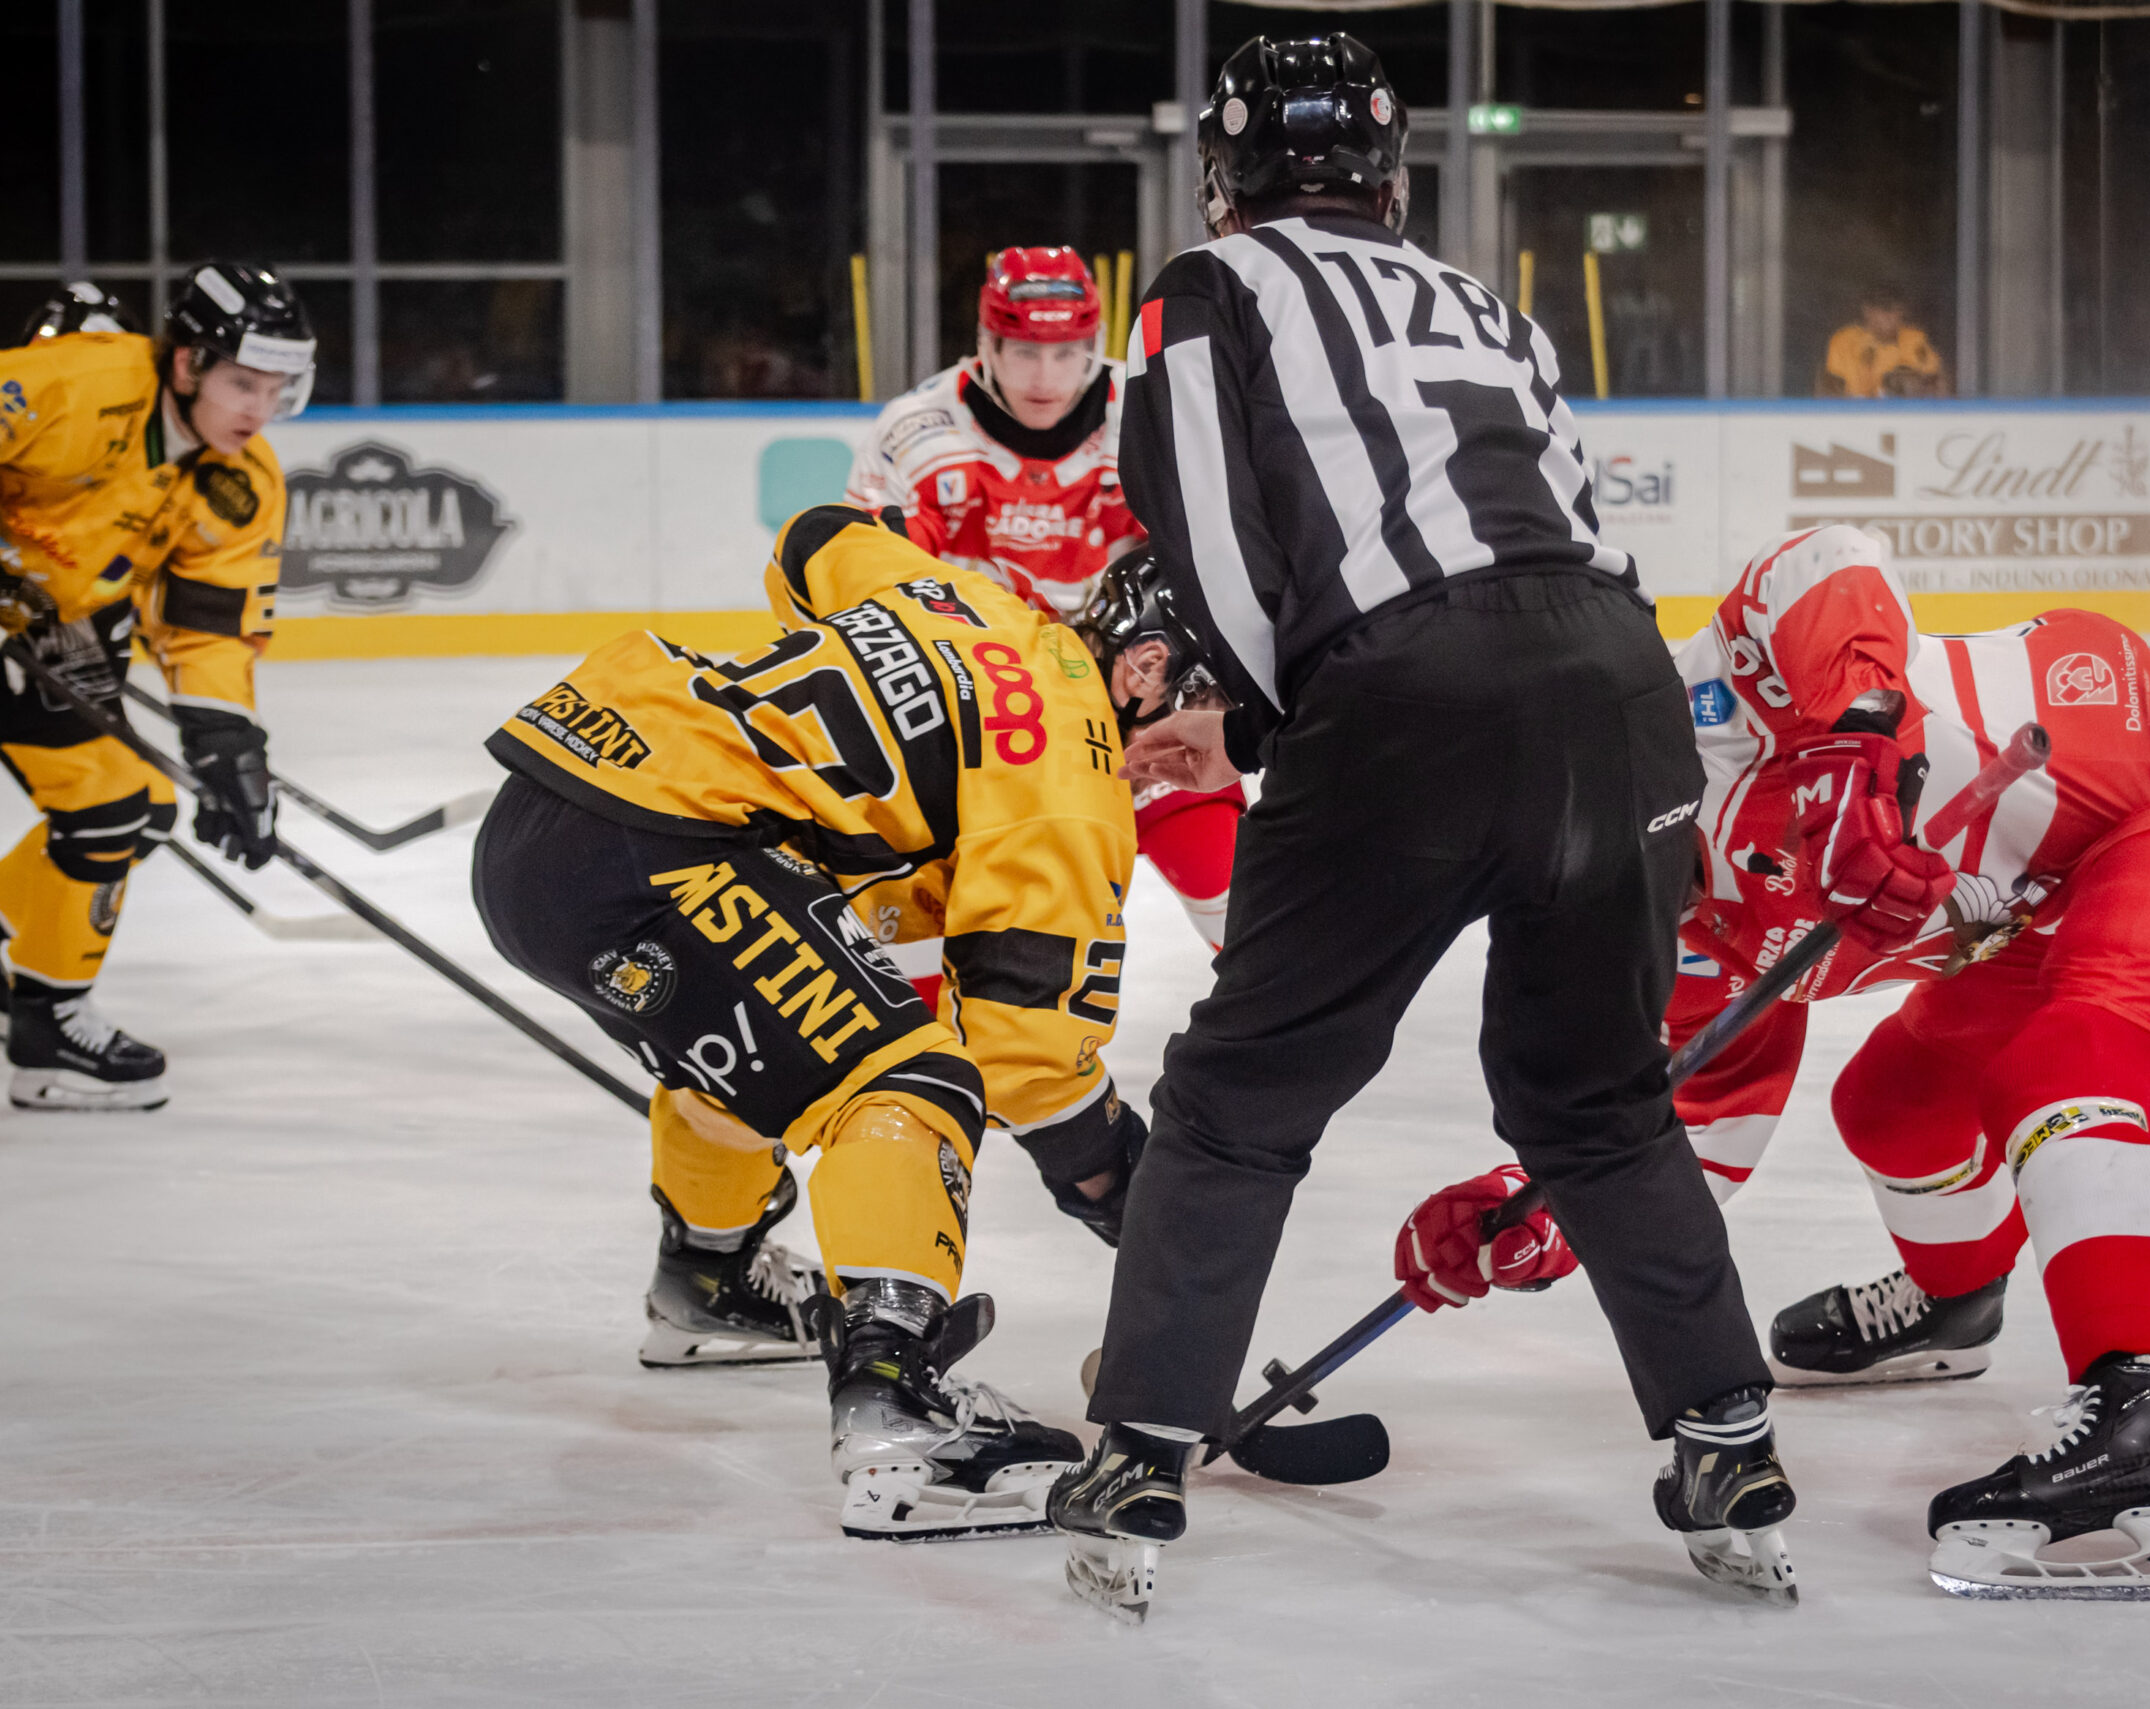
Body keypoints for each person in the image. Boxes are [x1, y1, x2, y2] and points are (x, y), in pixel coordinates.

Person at [1044, 35, 1796, 1621]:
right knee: (1595, 1095)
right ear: (1393, 173)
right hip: (1616, 684)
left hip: (1408, 694)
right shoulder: (1493, 305)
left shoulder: (1208, 284)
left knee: (1243, 1096)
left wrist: (1252, 721)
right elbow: (1572, 525)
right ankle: (1724, 1434)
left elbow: (1202, 534)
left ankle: (1141, 1454)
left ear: (1224, 175)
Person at [1402, 523, 2150, 1598]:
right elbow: (1695, 1131)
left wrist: (1855, 749)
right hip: (2035, 899)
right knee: (1890, 1100)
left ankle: (2140, 1415)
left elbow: (1831, 559)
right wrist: (1542, 1212)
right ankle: (1955, 1302)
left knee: (2068, 1066)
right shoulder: (1667, 928)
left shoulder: (1710, 695)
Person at [469, 502, 1162, 1540]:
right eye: (1221, 724)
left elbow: (814, 537)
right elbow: (1020, 1055)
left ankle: (710, 1277)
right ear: (1147, 671)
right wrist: (1126, 1183)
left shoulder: (975, 600)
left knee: (765, 1051)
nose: (1203, 768)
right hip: (659, 849)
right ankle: (898, 1417)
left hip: (550, 805)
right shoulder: (1076, 771)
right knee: (910, 1080)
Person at [0, 264, 308, 1110]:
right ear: (186, 365)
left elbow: (208, 628)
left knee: (120, 805)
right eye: (241, 384)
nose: (257, 411)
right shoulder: (77, 382)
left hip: (55, 636)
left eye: (276, 389)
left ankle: (47, 1026)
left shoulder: (243, 484)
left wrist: (229, 747)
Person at [848, 246, 1242, 951]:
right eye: (1025, 350)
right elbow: (858, 596)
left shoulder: (1150, 413)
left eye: (1067, 352)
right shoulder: (916, 433)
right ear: (985, 343)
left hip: (1136, 711)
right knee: (928, 945)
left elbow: (1228, 559)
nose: (1045, 377)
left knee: (1241, 910)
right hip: (981, 727)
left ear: (1093, 344)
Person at [1819, 288, 1946, 398]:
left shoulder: (1914, 340)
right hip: (1855, 414)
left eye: (1896, 310)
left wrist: (1914, 385)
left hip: (1903, 415)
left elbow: (1939, 383)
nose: (1890, 316)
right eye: (1884, 309)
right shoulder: (1845, 340)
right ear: (1867, 311)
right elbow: (1828, 386)